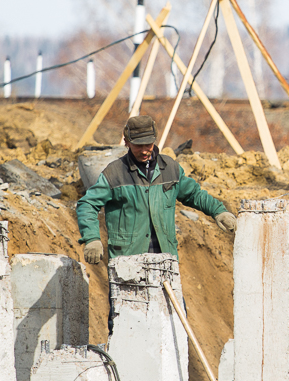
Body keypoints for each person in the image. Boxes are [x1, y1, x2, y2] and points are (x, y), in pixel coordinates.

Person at [76, 115, 236, 332]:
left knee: (174, 325)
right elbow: (87, 204)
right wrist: (92, 238)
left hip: (165, 261)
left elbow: (194, 194)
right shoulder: (114, 173)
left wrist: (219, 211)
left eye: (148, 144)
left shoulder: (170, 169)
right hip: (128, 264)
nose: (145, 150)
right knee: (126, 326)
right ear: (127, 142)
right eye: (139, 145)